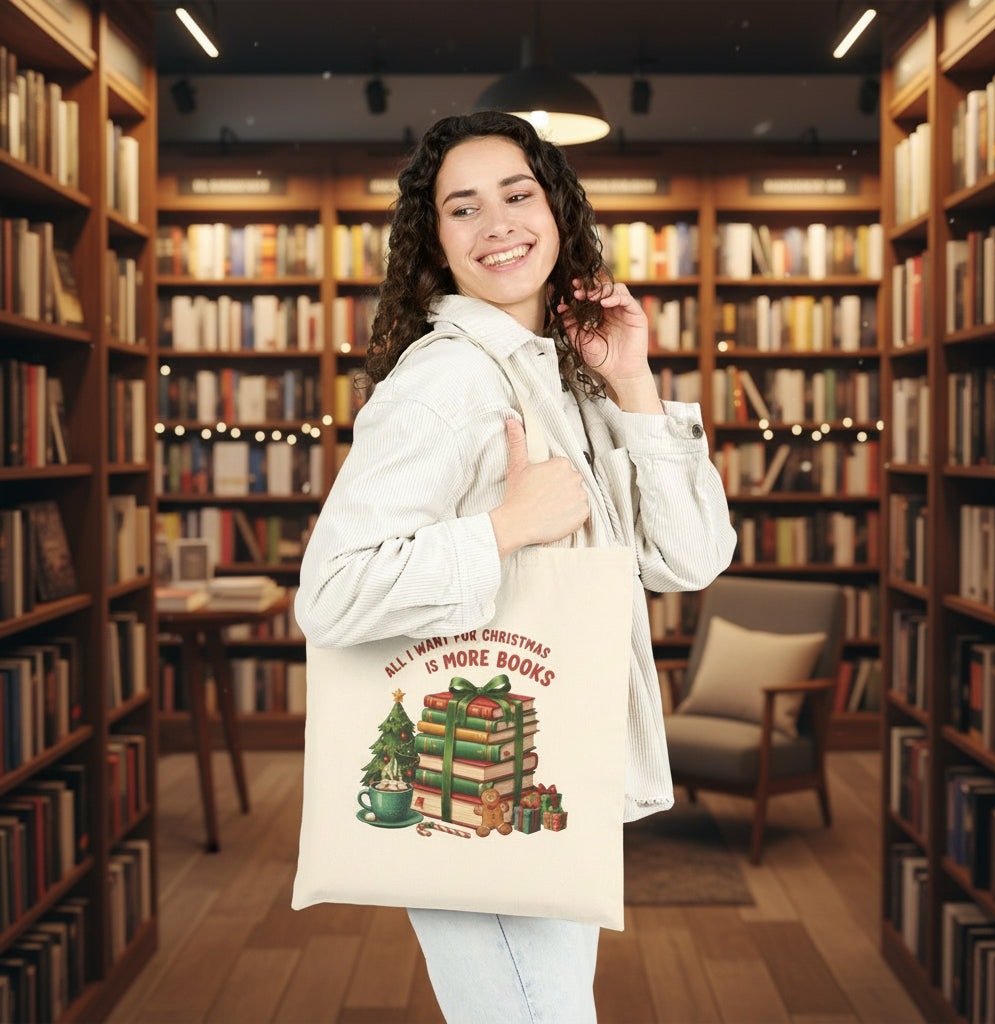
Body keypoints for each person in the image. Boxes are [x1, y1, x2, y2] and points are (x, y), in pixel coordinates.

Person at [294, 110, 736, 1024]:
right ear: (436, 243)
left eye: (517, 195)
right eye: (463, 208)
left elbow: (691, 559)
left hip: (552, 765)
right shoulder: (447, 379)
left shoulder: (562, 376)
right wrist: (504, 528)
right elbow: (331, 594)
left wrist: (633, 381)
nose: (496, 224)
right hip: (475, 784)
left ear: (558, 213)